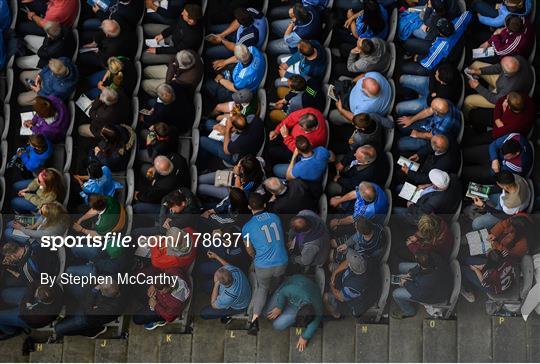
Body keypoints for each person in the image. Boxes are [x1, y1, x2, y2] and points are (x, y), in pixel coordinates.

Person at [242, 193, 288, 335]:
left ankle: (254, 320)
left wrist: (256, 258)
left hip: (263, 266)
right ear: (264, 205)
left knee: (262, 288)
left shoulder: (247, 227)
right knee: (276, 280)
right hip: (282, 261)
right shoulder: (275, 217)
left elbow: (249, 250)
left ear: (249, 207)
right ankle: (274, 292)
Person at [265, 275, 323, 352]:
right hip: (288, 290)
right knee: (266, 313)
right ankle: (281, 307)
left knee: (277, 325)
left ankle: (285, 312)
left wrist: (305, 337)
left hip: (296, 304)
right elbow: (283, 292)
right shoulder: (297, 290)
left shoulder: (318, 308)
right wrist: (279, 307)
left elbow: (315, 322)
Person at [463, 55, 533, 116]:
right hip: (504, 84)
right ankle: (467, 81)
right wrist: (479, 71)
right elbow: (499, 67)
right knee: (476, 65)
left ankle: (467, 118)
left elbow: (495, 100)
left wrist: (477, 87)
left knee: (468, 100)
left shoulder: (509, 87)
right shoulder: (518, 59)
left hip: (502, 98)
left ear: (505, 73)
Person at [52, 282, 124, 340]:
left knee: (58, 329)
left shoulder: (109, 308)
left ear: (103, 293)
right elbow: (89, 306)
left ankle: (93, 331)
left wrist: (95, 289)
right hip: (90, 304)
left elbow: (87, 310)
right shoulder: (115, 287)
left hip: (87, 317)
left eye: (101, 285)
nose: (100, 283)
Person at [391, 252, 453, 319]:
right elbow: (420, 267)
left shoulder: (426, 281)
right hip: (438, 282)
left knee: (396, 294)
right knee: (401, 266)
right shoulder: (434, 257)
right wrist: (411, 273)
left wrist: (405, 283)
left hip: (434, 296)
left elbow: (419, 295)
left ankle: (409, 312)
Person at [324, 250, 381, 318]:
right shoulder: (362, 259)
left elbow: (340, 297)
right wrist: (334, 273)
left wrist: (331, 286)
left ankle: (336, 314)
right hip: (346, 280)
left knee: (325, 297)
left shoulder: (353, 287)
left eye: (349, 264)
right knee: (331, 266)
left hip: (352, 302)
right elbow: (347, 262)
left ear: (352, 268)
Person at [394, 169, 462, 226]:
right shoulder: (453, 177)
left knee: (395, 210)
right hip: (425, 198)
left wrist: (410, 205)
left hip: (421, 210)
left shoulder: (434, 202)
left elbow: (419, 216)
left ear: (436, 185)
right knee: (399, 188)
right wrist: (427, 185)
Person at [466, 92, 535, 146]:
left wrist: (504, 111)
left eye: (506, 100)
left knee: (474, 141)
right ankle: (478, 129)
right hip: (501, 122)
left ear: (509, 107)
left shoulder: (516, 124)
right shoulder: (520, 97)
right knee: (474, 114)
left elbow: (496, 134)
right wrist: (497, 119)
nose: (505, 98)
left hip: (504, 134)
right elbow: (500, 100)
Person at [462, 132, 532, 184]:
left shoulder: (518, 165)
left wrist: (495, 162)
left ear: (517, 153)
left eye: (507, 156)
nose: (505, 157)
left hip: (499, 171)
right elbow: (493, 145)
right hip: (495, 157)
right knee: (464, 154)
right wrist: (494, 159)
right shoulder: (514, 137)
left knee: (465, 172)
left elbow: (498, 173)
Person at [200, 252, 252, 321]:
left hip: (239, 307)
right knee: (206, 286)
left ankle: (228, 313)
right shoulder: (235, 271)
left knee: (204, 313)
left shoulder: (228, 296)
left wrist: (216, 285)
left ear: (219, 282)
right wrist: (216, 256)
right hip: (242, 293)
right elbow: (227, 265)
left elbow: (213, 304)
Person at [199, 113, 265, 167]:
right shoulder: (253, 118)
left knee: (202, 140)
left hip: (236, 158)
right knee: (209, 123)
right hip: (255, 142)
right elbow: (241, 128)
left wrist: (227, 129)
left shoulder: (238, 143)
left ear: (235, 128)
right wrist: (226, 130)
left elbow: (226, 150)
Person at [396, 98, 461, 153]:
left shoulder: (445, 125)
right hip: (433, 124)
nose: (430, 108)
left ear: (437, 113)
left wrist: (417, 134)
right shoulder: (445, 103)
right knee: (402, 125)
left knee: (401, 144)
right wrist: (411, 120)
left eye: (432, 108)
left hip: (439, 138)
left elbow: (431, 136)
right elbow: (427, 111)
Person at [395, 64, 462, 117]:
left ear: (442, 82)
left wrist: (433, 93)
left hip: (430, 101)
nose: (436, 72)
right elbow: (433, 72)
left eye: (437, 75)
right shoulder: (446, 68)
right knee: (403, 79)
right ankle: (409, 95)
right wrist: (433, 91)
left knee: (399, 108)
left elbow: (429, 101)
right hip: (432, 88)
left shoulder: (445, 94)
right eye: (437, 71)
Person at [198, 155, 264, 200]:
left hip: (231, 191)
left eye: (241, 169)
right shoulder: (251, 161)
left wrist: (237, 174)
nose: (239, 167)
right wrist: (238, 167)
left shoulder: (251, 182)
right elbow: (240, 162)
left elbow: (237, 190)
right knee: (199, 179)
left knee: (200, 188)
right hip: (229, 176)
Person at [4, 201, 69, 245]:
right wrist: (34, 226)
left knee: (7, 232)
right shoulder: (57, 206)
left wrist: (21, 228)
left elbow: (35, 234)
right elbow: (42, 217)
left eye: (41, 211)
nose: (39, 210)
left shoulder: (51, 231)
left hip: (38, 239)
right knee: (11, 223)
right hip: (40, 226)